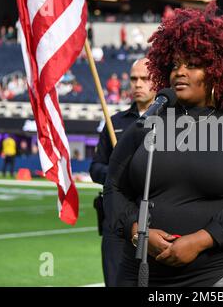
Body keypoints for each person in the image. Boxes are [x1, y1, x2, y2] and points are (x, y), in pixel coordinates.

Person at [104, 0, 223, 287]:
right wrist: (136, 232)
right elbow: (113, 188)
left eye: (193, 65)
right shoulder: (145, 126)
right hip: (141, 271)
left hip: (220, 273)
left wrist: (200, 240)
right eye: (175, 64)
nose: (180, 72)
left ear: (219, 71)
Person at [89, 58, 156, 287]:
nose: (138, 84)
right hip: (116, 223)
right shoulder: (113, 122)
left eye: (145, 79)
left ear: (156, 81)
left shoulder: (172, 122)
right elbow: (95, 168)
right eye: (134, 78)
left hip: (157, 220)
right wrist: (117, 174)